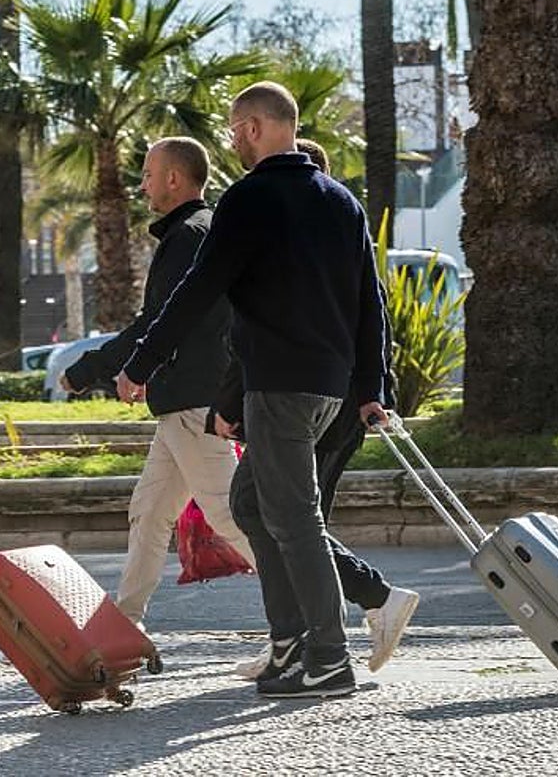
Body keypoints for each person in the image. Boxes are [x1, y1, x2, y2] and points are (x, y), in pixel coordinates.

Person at [116, 82, 389, 699]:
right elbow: (369, 302)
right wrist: (370, 386)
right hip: (326, 388)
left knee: (295, 517)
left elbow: (198, 290)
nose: (233, 141)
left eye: (236, 130)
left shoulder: (248, 198)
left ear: (257, 128)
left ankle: (329, 657)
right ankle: (289, 642)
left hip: (280, 384)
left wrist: (142, 363)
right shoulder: (341, 201)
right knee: (247, 503)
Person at [214, 138, 419, 680]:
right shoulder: (334, 223)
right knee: (261, 506)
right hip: (333, 398)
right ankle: (295, 638)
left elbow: (261, 330)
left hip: (316, 400)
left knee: (293, 518)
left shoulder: (304, 231)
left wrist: (374, 391)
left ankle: (334, 638)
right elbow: (371, 313)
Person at [61, 137, 250, 626]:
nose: (142, 185)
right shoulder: (205, 229)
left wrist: (92, 369)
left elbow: (163, 321)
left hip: (194, 401)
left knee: (232, 517)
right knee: (148, 512)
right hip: (185, 399)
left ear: (173, 178)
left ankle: (320, 613)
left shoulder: (187, 236)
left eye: (148, 175)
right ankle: (125, 622)